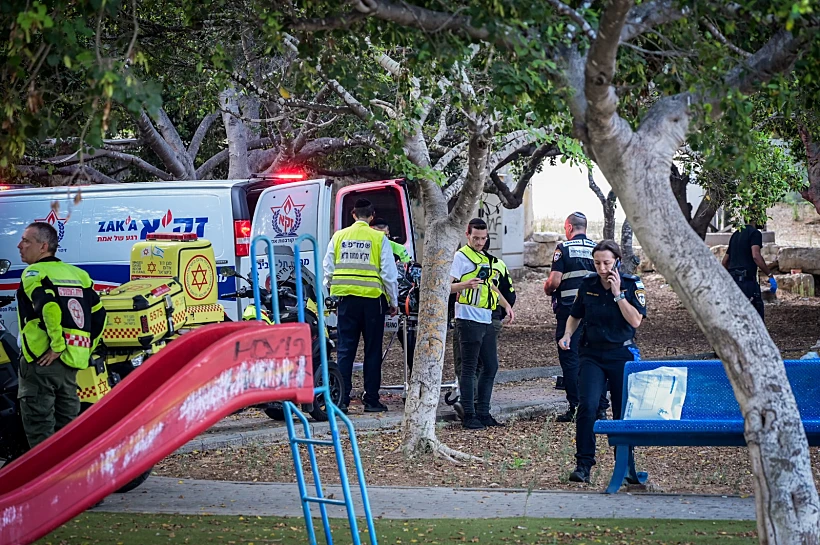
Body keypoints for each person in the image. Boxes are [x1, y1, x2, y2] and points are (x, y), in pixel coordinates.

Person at [558, 240, 646, 483]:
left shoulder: (631, 284)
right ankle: (583, 465)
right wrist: (567, 334)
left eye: (606, 262)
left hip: (621, 354)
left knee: (621, 411)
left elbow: (636, 321)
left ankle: (625, 466)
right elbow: (575, 315)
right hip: (592, 354)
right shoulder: (588, 284)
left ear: (617, 260)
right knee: (587, 406)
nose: (602, 268)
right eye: (597, 263)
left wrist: (618, 294)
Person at [16, 222, 106, 448]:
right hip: (71, 363)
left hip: (42, 362)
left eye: (26, 241)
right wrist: (85, 347)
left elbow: (49, 307)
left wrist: (56, 346)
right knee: (67, 431)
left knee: (40, 431)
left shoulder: (35, 273)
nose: (20, 245)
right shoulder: (79, 275)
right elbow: (99, 315)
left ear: (43, 246)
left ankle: (44, 482)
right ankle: (69, 479)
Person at [323, 199, 399, 413]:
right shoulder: (378, 238)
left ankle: (342, 400)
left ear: (354, 214)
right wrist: (393, 302)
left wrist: (333, 295)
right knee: (372, 351)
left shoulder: (339, 237)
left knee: (345, 351)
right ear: (372, 216)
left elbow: (327, 269)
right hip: (373, 302)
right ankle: (371, 400)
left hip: (346, 302)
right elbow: (388, 274)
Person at [543, 212, 609, 423]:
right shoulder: (598, 250)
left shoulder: (564, 249)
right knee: (596, 357)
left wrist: (546, 288)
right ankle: (599, 407)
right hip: (597, 314)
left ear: (569, 227)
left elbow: (554, 281)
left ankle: (576, 407)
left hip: (570, 312)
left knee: (570, 359)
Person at [450, 218, 515, 430]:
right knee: (469, 367)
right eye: (476, 238)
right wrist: (465, 284)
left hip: (486, 316)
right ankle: (469, 414)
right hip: (467, 318)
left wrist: (506, 305)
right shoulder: (460, 257)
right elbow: (445, 286)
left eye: (483, 238)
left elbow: (492, 286)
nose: (479, 242)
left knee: (490, 366)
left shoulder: (485, 258)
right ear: (467, 235)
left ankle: (483, 412)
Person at [722, 222, 776, 320]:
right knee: (755, 314)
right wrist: (770, 274)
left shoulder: (735, 234)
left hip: (734, 281)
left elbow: (725, 261)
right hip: (746, 282)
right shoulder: (755, 233)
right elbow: (755, 256)